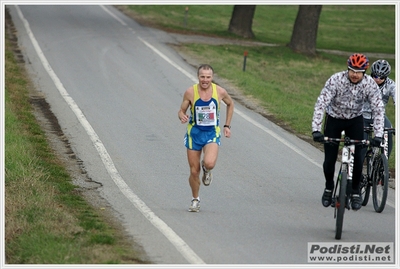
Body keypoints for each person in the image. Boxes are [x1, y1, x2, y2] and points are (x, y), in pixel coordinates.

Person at [311, 53, 385, 211]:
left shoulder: (369, 84)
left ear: (364, 71)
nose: (355, 75)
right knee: (329, 159)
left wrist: (378, 135)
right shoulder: (336, 80)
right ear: (347, 68)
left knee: (358, 158)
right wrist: (316, 130)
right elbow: (321, 103)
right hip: (334, 119)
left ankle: (355, 191)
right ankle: (329, 188)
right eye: (352, 70)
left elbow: (378, 109)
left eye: (358, 72)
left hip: (355, 120)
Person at [178, 64, 234, 212]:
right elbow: (181, 110)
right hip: (194, 134)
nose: (205, 80)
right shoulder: (190, 92)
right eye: (202, 76)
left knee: (209, 163)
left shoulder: (220, 91)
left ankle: (207, 170)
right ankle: (195, 199)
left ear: (212, 78)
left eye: (208, 77)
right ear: (198, 77)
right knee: (194, 171)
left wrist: (227, 126)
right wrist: (182, 116)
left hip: (211, 133)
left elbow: (230, 104)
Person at [362, 59, 396, 159]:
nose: (377, 79)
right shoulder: (364, 82)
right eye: (375, 76)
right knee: (362, 145)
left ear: (386, 77)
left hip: (379, 116)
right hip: (363, 115)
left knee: (389, 132)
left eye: (381, 77)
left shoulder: (391, 85)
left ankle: (383, 164)